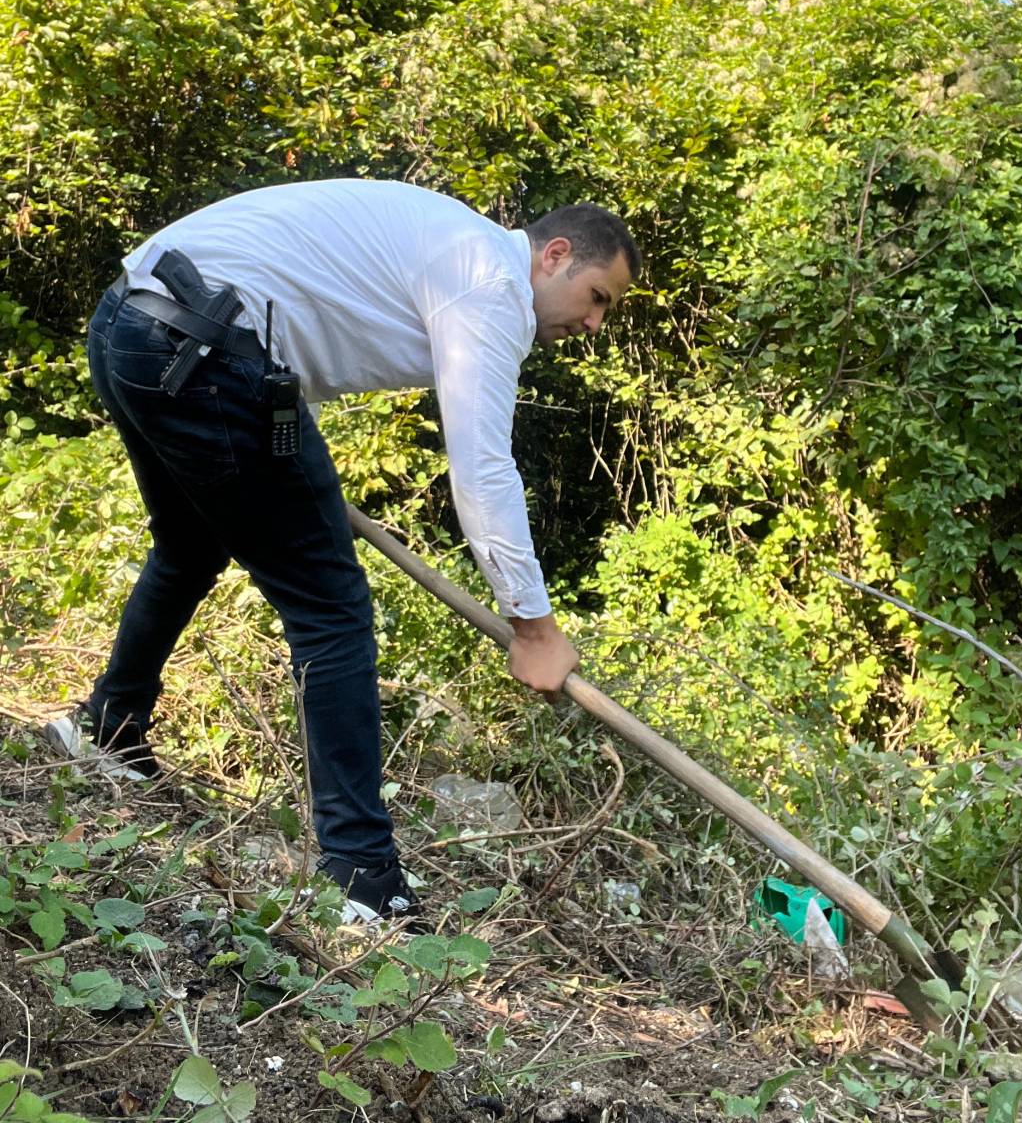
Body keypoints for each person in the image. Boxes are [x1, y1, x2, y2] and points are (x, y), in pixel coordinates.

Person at [46, 178, 640, 925]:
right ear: (555, 255)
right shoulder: (489, 284)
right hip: (201, 350)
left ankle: (107, 727)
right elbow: (484, 467)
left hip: (132, 324)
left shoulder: (451, 243)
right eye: (597, 298)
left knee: (191, 545)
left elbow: (309, 304)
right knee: (332, 611)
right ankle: (363, 879)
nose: (593, 323)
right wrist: (533, 626)